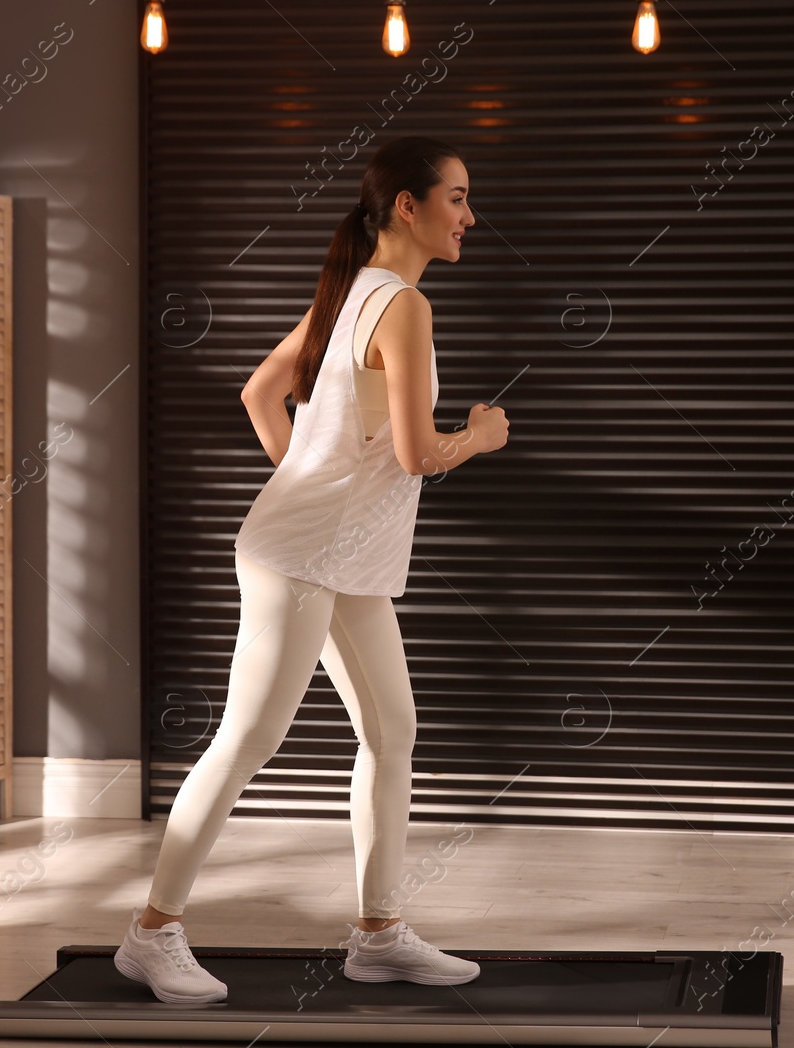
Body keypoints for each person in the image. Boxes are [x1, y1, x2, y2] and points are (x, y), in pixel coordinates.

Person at [115, 136, 509, 1004]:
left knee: (393, 729)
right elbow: (415, 454)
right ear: (408, 206)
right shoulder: (400, 305)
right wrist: (477, 438)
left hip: (342, 557)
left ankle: (377, 933)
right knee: (248, 739)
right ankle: (151, 932)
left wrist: (312, 480)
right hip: (299, 557)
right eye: (456, 197)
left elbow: (261, 395)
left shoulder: (349, 290)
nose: (470, 216)